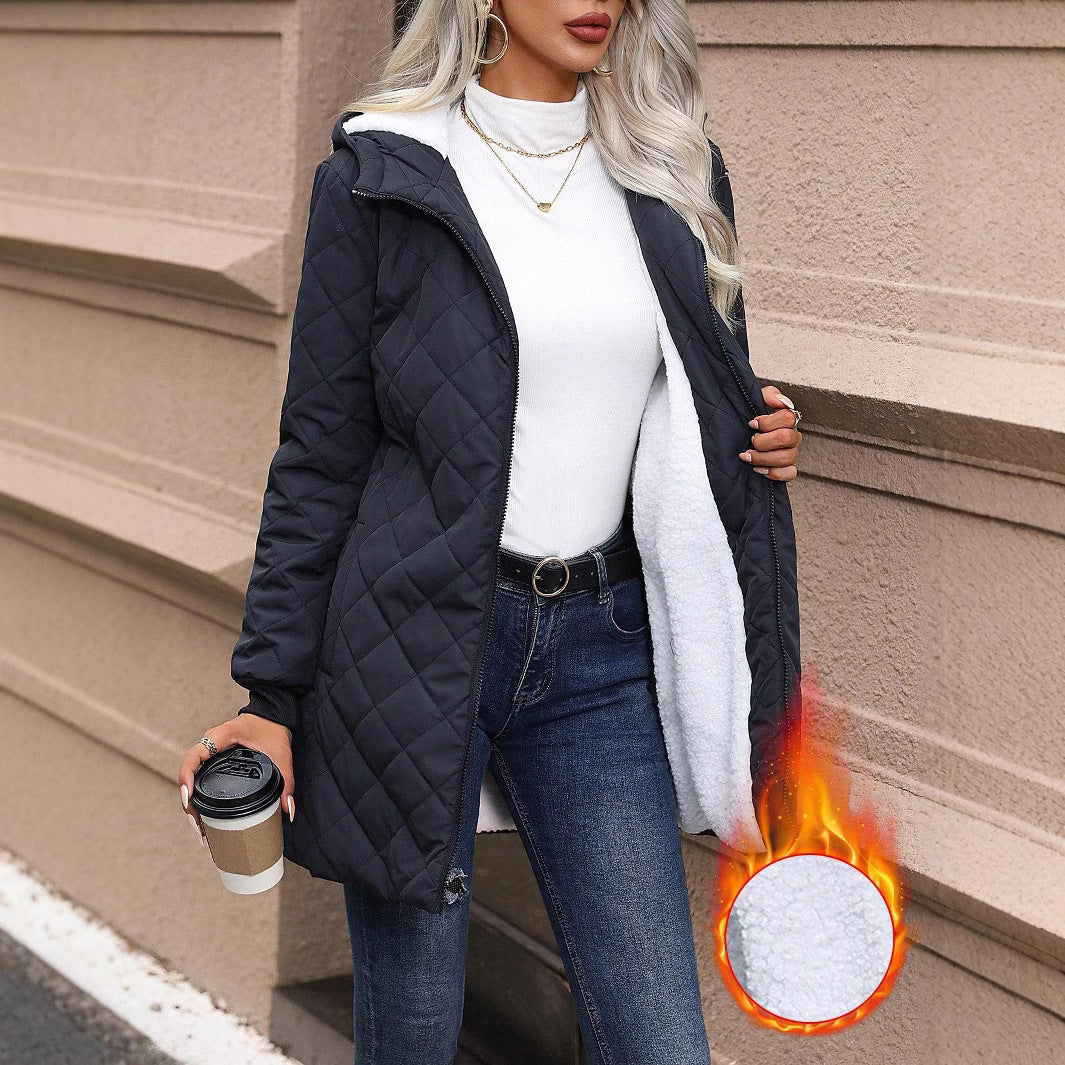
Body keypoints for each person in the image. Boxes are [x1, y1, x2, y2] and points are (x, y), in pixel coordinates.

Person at [180, 0, 804, 1061]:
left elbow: (691, 393)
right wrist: (269, 696)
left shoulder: (673, 167)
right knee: (413, 1033)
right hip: (414, 642)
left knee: (659, 1040)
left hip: (602, 651)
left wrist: (758, 430)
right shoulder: (383, 174)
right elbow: (321, 453)